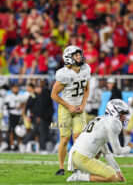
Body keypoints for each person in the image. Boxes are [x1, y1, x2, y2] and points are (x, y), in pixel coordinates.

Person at [66, 99, 133, 182]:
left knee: (101, 154)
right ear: (115, 111)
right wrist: (129, 147)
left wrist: (118, 171)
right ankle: (78, 177)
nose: (125, 117)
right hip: (83, 157)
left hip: (76, 155)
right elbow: (117, 151)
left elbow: (106, 152)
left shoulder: (101, 119)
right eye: (123, 114)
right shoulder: (113, 123)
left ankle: (80, 171)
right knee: (113, 177)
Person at [51, 45, 91, 176]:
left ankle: (76, 165)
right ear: (69, 58)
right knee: (65, 137)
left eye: (80, 54)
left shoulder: (85, 69)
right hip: (65, 109)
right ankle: (61, 167)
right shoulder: (64, 73)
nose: (79, 57)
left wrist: (83, 105)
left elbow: (86, 89)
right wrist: (69, 106)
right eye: (76, 55)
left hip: (79, 108)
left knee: (79, 137)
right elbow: (54, 95)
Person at [5, 83, 25, 151]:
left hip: (19, 115)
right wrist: (15, 107)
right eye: (14, 88)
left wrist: (21, 107)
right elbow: (7, 106)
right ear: (12, 89)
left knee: (20, 130)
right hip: (12, 114)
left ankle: (20, 144)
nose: (16, 89)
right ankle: (12, 145)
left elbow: (24, 104)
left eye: (16, 87)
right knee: (11, 130)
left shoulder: (21, 96)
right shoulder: (9, 96)